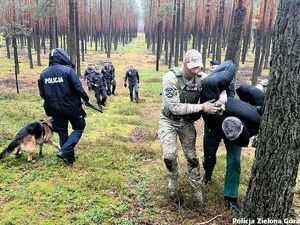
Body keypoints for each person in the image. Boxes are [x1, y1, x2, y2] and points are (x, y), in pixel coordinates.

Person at [158, 49, 226, 203]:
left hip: (187, 122)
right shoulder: (171, 78)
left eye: (198, 66)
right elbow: (174, 107)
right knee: (169, 156)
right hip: (168, 121)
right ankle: (173, 181)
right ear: (185, 63)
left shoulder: (201, 78)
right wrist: (202, 107)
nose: (196, 70)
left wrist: (222, 101)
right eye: (192, 66)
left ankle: (197, 190)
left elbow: (221, 87)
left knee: (192, 158)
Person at [201, 62, 264, 214]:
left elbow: (232, 98)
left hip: (232, 125)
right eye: (212, 68)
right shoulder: (206, 82)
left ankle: (230, 197)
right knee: (209, 155)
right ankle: (207, 174)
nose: (214, 69)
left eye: (217, 67)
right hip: (212, 125)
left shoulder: (228, 82)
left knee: (234, 160)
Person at [38, 48, 89, 165]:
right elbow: (78, 88)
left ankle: (69, 160)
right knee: (79, 127)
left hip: (54, 109)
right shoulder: (68, 70)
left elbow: (42, 94)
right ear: (62, 57)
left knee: (62, 132)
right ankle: (64, 151)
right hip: (72, 107)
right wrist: (86, 98)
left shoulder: (43, 73)